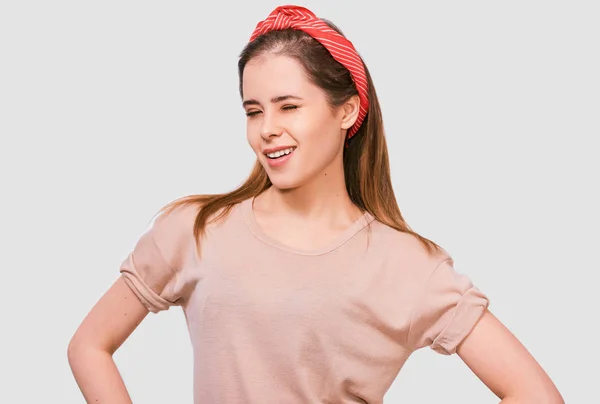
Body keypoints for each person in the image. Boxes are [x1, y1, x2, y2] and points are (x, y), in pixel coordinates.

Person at [68, 5, 564, 403]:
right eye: (253, 111)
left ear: (347, 110)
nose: (267, 129)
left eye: (289, 106)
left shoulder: (407, 267)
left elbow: (534, 393)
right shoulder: (196, 230)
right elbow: (89, 346)